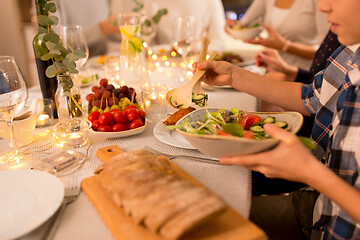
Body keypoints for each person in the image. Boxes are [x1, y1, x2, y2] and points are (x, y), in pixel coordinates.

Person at [193, 0, 360, 238]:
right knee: (199, 216)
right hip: (321, 209)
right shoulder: (352, 50)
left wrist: (310, 172)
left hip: (337, 228)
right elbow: (312, 96)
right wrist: (235, 76)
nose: (323, 6)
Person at [228, 0, 329, 70]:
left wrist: (286, 46)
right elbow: (244, 25)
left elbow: (327, 51)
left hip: (305, 75)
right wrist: (232, 26)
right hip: (272, 70)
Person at [141, 0, 226, 52]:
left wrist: (191, 48)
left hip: (196, 66)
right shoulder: (151, 2)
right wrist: (173, 49)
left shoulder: (211, 2)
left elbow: (219, 44)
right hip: (162, 66)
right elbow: (148, 43)